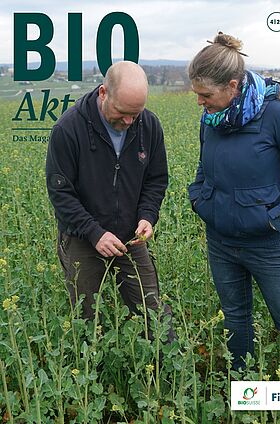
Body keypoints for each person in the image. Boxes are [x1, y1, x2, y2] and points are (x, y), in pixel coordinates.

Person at [188, 32, 280, 370]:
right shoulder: (211, 119)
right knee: (235, 319)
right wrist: (200, 200)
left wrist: (274, 219)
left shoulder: (279, 116)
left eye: (205, 95)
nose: (200, 103)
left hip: (270, 244)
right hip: (221, 241)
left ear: (233, 86)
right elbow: (203, 166)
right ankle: (245, 391)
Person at [46, 61, 175, 341]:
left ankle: (167, 373)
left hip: (130, 238)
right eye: (122, 112)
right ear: (103, 93)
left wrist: (147, 216)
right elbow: (61, 193)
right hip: (82, 238)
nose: (129, 122)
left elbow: (156, 179)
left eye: (135, 114)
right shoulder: (68, 130)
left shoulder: (149, 125)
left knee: (151, 310)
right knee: (86, 318)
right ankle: (93, 377)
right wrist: (94, 233)